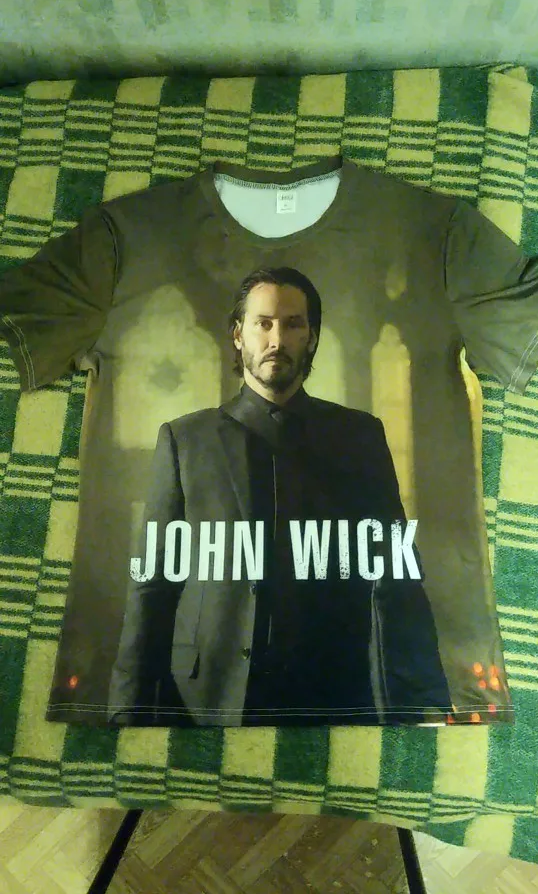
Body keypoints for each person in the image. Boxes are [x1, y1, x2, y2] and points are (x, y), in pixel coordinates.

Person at [108, 266, 451, 726]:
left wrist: (425, 699)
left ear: (312, 338)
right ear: (238, 334)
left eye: (293, 324)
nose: (277, 339)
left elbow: (398, 572)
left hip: (331, 693)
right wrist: (127, 709)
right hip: (208, 695)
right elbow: (152, 583)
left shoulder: (359, 437)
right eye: (263, 323)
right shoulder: (185, 440)